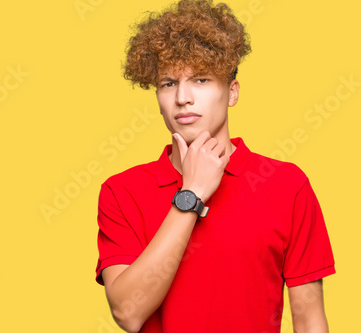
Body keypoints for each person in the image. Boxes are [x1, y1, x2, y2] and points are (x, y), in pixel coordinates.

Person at [94, 0, 335, 332]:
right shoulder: (122, 192)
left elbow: (309, 320)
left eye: (201, 80)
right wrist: (191, 194)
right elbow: (127, 313)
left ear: (232, 92)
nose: (183, 97)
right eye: (168, 83)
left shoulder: (286, 185)